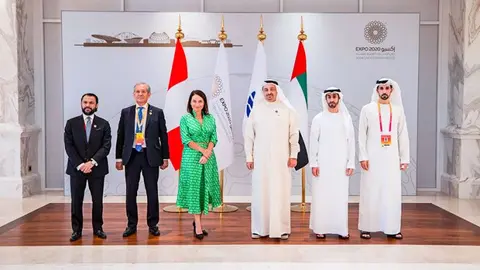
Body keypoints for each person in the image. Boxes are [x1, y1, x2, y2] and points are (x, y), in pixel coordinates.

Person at [244, 80, 300, 240]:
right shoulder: (256, 110)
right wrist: (249, 156)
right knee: (260, 193)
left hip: (282, 159)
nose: (269, 92)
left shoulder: (287, 110)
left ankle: (281, 229)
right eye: (266, 90)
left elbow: (294, 134)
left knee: (280, 192)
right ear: (263, 92)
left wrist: (293, 155)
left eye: (272, 89)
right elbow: (248, 135)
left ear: (277, 91)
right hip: (260, 160)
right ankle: (259, 228)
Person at [357, 78, 409, 240]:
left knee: (391, 193)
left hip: (392, 159)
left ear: (391, 91)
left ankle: (392, 228)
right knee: (370, 191)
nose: (384, 91)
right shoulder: (367, 109)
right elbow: (361, 135)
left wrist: (404, 158)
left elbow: (403, 135)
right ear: (377, 90)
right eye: (381, 88)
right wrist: (363, 156)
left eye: (387, 88)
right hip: (371, 159)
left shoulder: (398, 110)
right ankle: (367, 227)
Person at [115, 82, 169, 237]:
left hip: (150, 156)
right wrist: (119, 158)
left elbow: (163, 136)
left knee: (152, 191)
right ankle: (131, 224)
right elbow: (121, 136)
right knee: (131, 191)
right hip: (131, 156)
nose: (140, 94)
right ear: (134, 94)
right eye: (137, 91)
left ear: (149, 95)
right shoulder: (126, 112)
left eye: (143, 91)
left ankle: (153, 224)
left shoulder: (157, 112)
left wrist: (165, 157)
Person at [309, 87, 355, 239]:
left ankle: (341, 229)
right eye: (329, 97)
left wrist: (350, 163)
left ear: (339, 99)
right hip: (323, 165)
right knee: (321, 197)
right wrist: (314, 164)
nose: (331, 100)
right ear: (325, 99)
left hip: (340, 166)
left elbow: (351, 143)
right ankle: (320, 228)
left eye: (334, 97)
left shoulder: (346, 119)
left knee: (340, 197)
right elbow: (313, 143)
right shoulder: (318, 119)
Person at [64, 93, 111, 242]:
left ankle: (98, 228)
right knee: (76, 200)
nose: (88, 105)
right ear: (81, 104)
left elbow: (106, 146)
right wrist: (81, 164)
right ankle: (76, 230)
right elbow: (69, 146)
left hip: (97, 169)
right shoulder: (71, 123)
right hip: (76, 169)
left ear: (96, 105)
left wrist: (92, 162)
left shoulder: (104, 124)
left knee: (97, 201)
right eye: (85, 102)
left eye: (91, 103)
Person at [176, 90, 222, 240]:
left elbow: (214, 137)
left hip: (208, 157)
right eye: (194, 101)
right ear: (190, 103)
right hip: (191, 157)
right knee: (195, 188)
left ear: (204, 103)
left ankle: (198, 222)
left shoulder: (210, 118)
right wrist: (202, 151)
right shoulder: (185, 119)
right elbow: (185, 139)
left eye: (200, 101)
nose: (197, 104)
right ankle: (198, 225)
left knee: (204, 188)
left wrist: (207, 152)